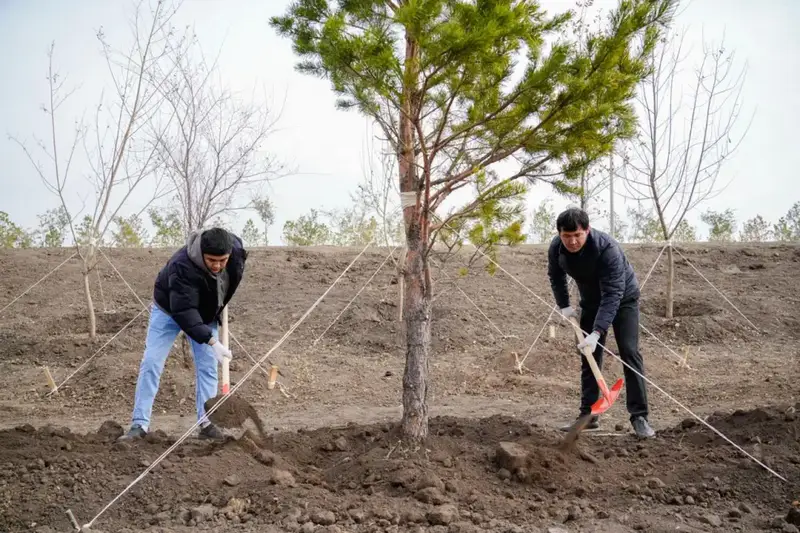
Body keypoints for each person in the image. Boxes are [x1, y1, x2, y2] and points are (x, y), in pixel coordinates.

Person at [118, 227, 247, 441]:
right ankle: (139, 425)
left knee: (208, 367)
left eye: (222, 261)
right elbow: (184, 312)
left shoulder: (235, 253)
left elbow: (228, 282)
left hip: (205, 312)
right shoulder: (182, 266)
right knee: (151, 363)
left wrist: (219, 304)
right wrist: (212, 340)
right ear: (202, 254)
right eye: (211, 260)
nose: (217, 265)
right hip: (168, 309)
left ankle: (207, 424)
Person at [547, 207, 655, 438]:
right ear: (559, 234)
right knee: (588, 355)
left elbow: (613, 294)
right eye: (567, 237)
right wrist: (564, 305)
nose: (572, 241)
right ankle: (588, 416)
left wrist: (597, 332)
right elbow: (555, 277)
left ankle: (639, 417)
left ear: (587, 230)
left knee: (629, 352)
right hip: (591, 301)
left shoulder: (607, 249)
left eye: (577, 235)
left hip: (623, 298)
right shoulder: (557, 248)